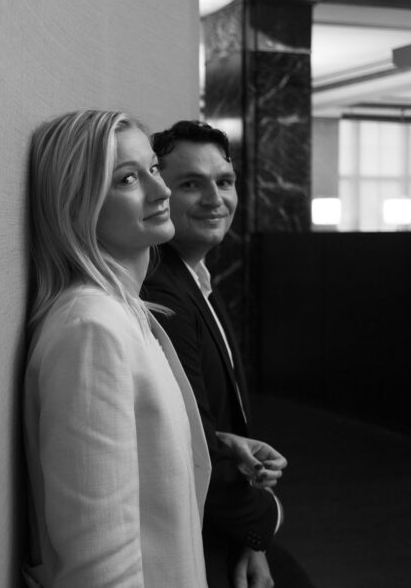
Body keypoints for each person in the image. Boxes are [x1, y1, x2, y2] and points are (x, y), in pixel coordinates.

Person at [22, 109, 211, 588]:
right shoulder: (91, 328)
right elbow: (99, 561)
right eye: (128, 179)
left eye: (152, 169)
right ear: (76, 205)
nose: (161, 190)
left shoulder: (122, 313)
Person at [142, 120, 313, 588]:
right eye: (191, 184)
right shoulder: (162, 289)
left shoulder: (194, 278)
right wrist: (264, 523)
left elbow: (207, 425)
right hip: (192, 533)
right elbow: (190, 449)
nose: (215, 199)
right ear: (160, 193)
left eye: (224, 182)